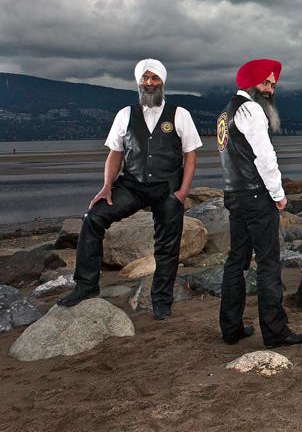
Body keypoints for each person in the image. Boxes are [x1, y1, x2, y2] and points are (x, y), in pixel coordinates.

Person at [57, 59, 202, 320]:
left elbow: (190, 156)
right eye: (144, 78)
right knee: (93, 218)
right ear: (138, 82)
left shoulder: (180, 114)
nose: (149, 83)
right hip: (132, 185)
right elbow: (115, 154)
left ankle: (161, 302)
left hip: (167, 188)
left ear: (162, 81)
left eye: (154, 78)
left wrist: (182, 192)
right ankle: (86, 286)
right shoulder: (125, 114)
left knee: (167, 246)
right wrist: (106, 187)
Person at [217, 59, 302, 347]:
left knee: (236, 261)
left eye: (272, 84)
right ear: (250, 83)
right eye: (265, 83)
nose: (270, 89)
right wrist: (278, 194)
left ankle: (230, 329)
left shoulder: (225, 113)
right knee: (269, 263)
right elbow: (265, 157)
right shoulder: (251, 110)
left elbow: (230, 156)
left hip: (234, 195)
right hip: (257, 197)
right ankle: (275, 332)